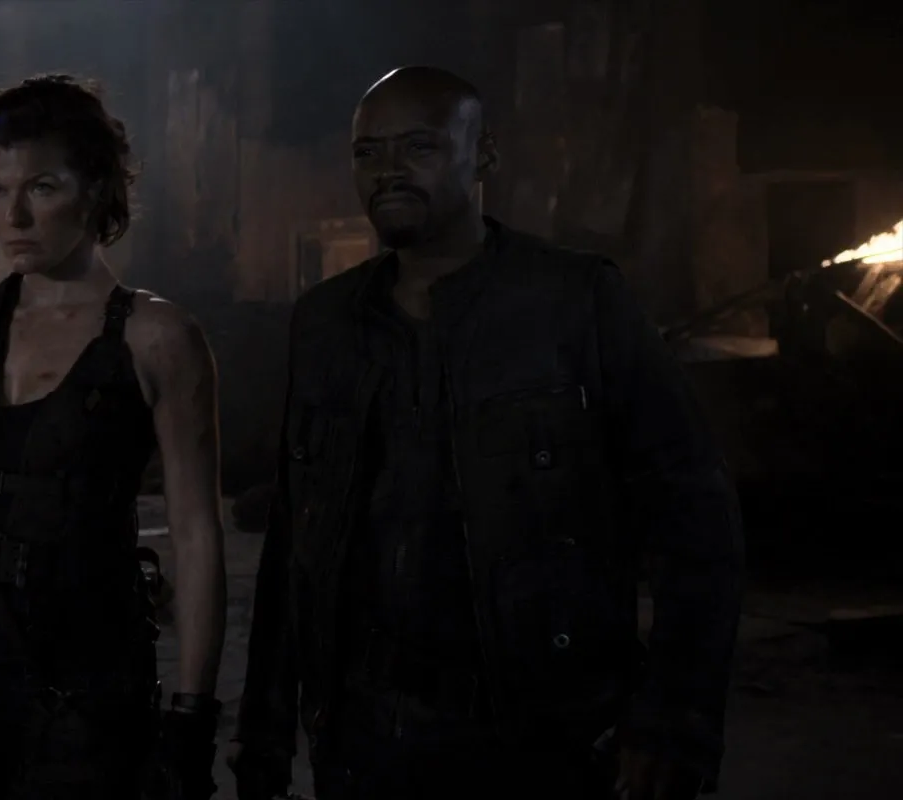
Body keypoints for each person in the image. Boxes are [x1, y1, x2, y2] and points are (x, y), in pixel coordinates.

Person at [227, 66, 744, 800]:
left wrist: (672, 721)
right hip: (367, 741)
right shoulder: (327, 324)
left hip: (547, 738)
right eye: (368, 152)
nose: (388, 171)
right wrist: (265, 735)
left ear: (484, 154)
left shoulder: (574, 302)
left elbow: (694, 517)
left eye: (419, 146)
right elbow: (296, 541)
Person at [0, 74, 229, 800]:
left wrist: (192, 712)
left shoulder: (155, 337)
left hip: (83, 694)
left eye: (40, 187)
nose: (13, 216)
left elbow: (196, 535)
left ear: (95, 190)